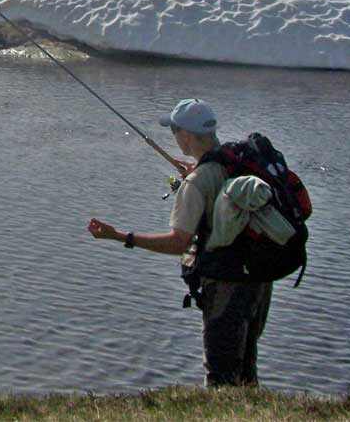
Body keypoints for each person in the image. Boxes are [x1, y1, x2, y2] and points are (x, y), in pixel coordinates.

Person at [87, 98, 272, 387]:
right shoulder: (234, 161)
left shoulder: (197, 182)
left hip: (226, 283)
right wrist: (196, 172)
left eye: (174, 131)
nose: (174, 137)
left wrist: (121, 236)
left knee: (221, 375)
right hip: (260, 279)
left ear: (186, 135)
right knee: (246, 367)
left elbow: (177, 243)